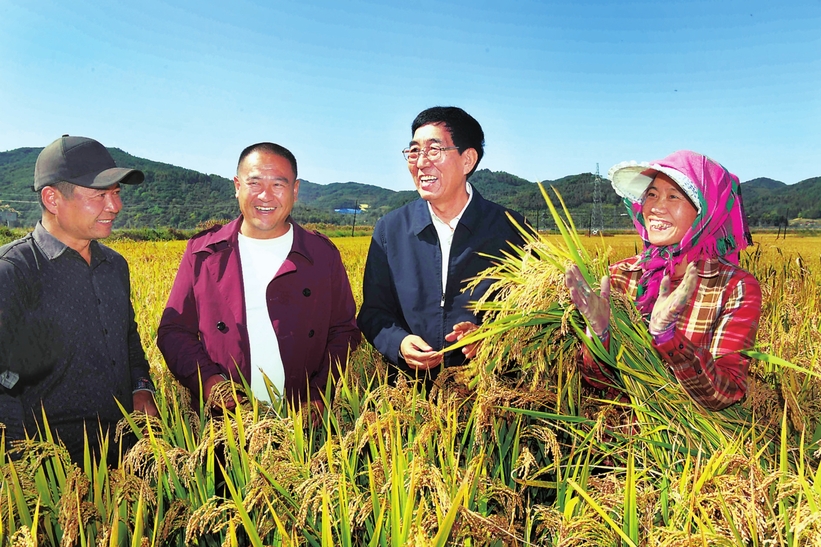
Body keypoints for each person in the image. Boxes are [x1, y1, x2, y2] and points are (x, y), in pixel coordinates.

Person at [158, 142, 360, 410]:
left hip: (304, 418)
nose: (265, 196)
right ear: (237, 186)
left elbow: (344, 330)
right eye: (254, 183)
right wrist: (210, 383)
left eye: (278, 184)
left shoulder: (322, 255)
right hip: (226, 424)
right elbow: (174, 331)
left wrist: (320, 391)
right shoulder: (203, 253)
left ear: (295, 190)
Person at [0, 135, 158, 464]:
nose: (115, 206)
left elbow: (127, 336)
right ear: (52, 199)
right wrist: (25, 473)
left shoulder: (115, 265)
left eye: (116, 193)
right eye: (100, 195)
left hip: (126, 453)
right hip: (54, 467)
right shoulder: (14, 272)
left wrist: (141, 386)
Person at [565, 150, 761, 410]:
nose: (656, 207)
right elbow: (598, 383)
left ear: (706, 212)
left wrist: (667, 336)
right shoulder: (620, 276)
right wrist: (599, 336)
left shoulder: (733, 286)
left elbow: (725, 395)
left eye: (673, 196)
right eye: (652, 194)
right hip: (614, 439)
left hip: (689, 443)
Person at [357, 106, 527, 387]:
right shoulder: (391, 229)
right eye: (414, 151)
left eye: (434, 150)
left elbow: (532, 314)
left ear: (467, 160)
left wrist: (492, 337)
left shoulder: (511, 229)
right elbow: (374, 311)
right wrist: (399, 343)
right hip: (410, 398)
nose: (421, 163)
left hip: (488, 393)